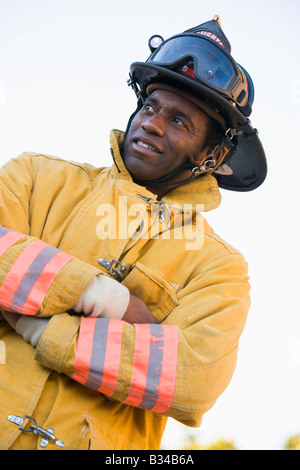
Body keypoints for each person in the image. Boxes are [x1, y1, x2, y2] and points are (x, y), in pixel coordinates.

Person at [0, 16, 267, 450]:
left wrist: (37, 326)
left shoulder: (220, 268)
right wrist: (112, 301)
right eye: (150, 106)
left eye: (179, 122)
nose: (152, 124)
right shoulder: (35, 176)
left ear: (213, 155)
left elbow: (195, 378)